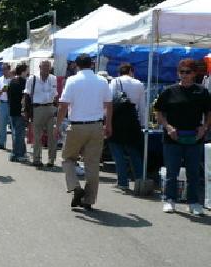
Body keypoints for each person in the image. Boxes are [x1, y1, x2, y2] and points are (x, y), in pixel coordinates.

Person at [154, 59, 211, 215]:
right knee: (172, 171)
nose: (184, 75)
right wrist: (168, 127)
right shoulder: (169, 91)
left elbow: (208, 112)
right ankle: (169, 200)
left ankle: (193, 202)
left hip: (195, 137)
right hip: (172, 137)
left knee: (193, 172)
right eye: (182, 72)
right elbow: (158, 112)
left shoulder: (202, 91)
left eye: (188, 72)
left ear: (194, 74)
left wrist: (204, 128)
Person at [56, 54, 112, 211]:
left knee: (67, 158)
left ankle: (75, 186)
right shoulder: (102, 81)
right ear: (92, 64)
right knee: (92, 165)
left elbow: (63, 105)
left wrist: (57, 125)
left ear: (76, 65)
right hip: (96, 126)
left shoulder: (72, 81)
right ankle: (89, 200)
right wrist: (108, 125)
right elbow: (109, 104)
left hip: (77, 125)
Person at [108, 63, 146, 191]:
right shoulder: (139, 84)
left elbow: (110, 102)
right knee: (134, 152)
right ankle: (140, 181)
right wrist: (142, 123)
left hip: (117, 120)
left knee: (117, 151)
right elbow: (142, 106)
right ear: (131, 71)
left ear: (120, 72)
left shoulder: (114, 82)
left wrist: (106, 121)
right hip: (132, 120)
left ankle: (122, 182)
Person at [25, 59, 58, 168]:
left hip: (50, 107)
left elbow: (56, 95)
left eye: (48, 67)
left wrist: (56, 109)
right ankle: (37, 159)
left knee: (52, 135)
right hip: (37, 108)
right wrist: (27, 112)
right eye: (44, 66)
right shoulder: (32, 78)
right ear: (39, 67)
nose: (46, 69)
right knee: (37, 136)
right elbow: (27, 95)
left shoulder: (53, 78)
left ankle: (51, 159)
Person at [7, 63, 29, 162]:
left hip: (12, 110)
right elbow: (26, 98)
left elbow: (8, 96)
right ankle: (17, 154)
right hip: (20, 110)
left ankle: (20, 152)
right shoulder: (23, 82)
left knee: (16, 133)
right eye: (27, 70)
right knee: (19, 134)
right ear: (23, 71)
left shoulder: (11, 82)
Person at [0, 63, 12, 149]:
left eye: (5, 69)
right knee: (1, 125)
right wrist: (2, 91)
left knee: (13, 124)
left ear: (9, 70)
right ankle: (1, 143)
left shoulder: (13, 80)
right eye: (2, 69)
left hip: (11, 104)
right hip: (3, 103)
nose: (4, 71)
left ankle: (15, 144)